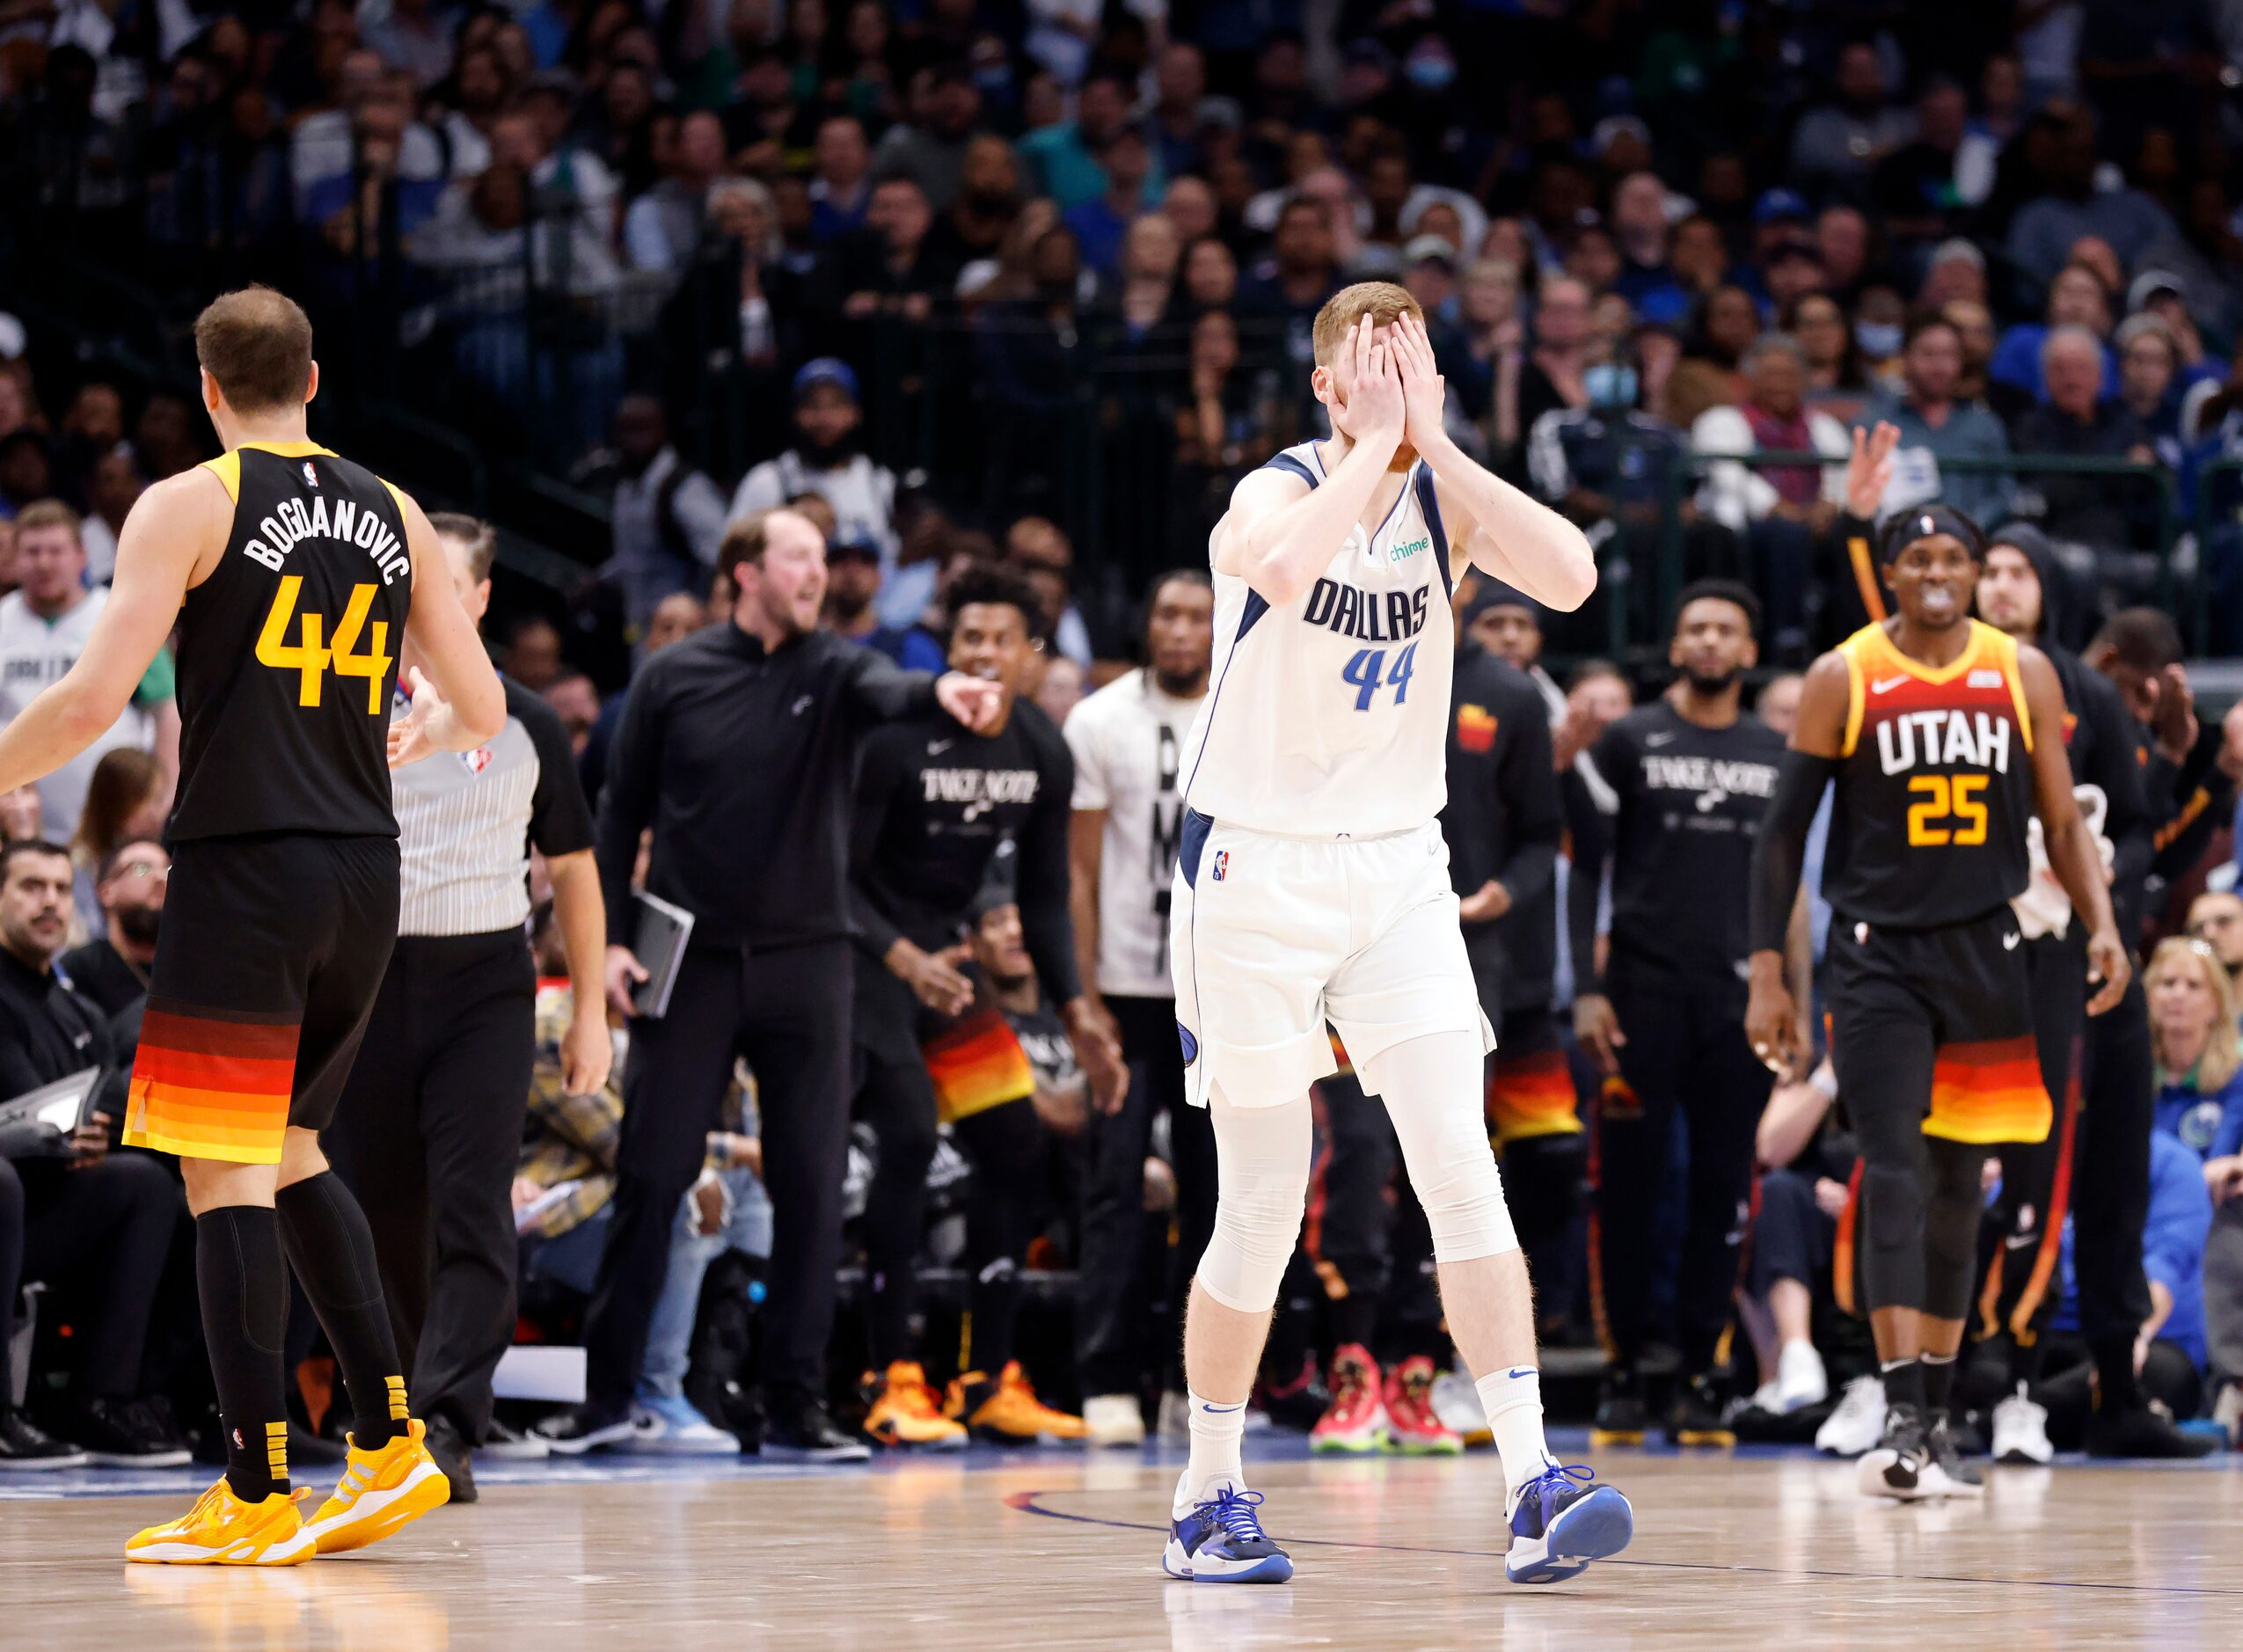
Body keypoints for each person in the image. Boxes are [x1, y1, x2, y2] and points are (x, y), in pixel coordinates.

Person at [0, 286, 506, 1561]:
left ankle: (255, 1483)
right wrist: (420, 729)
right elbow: (488, 704)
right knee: (289, 1147)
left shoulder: (189, 500)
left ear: (212, 390)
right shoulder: (391, 508)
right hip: (362, 872)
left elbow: (95, 701)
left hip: (246, 868)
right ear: (316, 380)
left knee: (224, 1169)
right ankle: (393, 1445)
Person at [1165, 287, 1627, 1589]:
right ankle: (1208, 1492)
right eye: (1369, 367)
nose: (1392, 383)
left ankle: (1532, 1478)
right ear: (1325, 385)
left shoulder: (1445, 496)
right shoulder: (1270, 491)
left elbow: (1573, 574)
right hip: (1251, 866)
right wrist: (1374, 441)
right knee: (1259, 1199)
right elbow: (1279, 571)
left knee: (1458, 1167)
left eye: (1411, 361)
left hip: (1395, 867)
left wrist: (1436, 436)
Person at [537, 508, 1001, 1462]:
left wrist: (946, 689)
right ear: (745, 571)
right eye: (799, 556)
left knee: (809, 1184)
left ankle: (795, 1405)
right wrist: (613, 945)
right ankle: (609, 1399)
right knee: (653, 1174)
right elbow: (620, 818)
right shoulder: (672, 676)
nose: (817, 572)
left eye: (824, 559)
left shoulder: (834, 668)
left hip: (807, 962)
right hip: (695, 962)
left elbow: (890, 686)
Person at [1745, 495, 2129, 1503]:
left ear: (1973, 567)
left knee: (1966, 1186)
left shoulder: (2020, 669)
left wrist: (2105, 923)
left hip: (1989, 949)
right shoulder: (1846, 673)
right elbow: (1782, 832)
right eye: (1915, 556)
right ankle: (1900, 1408)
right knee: (1896, 1168)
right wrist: (1768, 971)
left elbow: (2061, 812)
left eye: (1953, 555)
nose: (1936, 571)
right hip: (1876, 956)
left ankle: (1938, 1415)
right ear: (1892, 570)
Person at [320, 512, 610, 1502]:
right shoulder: (343, 703)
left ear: (479, 598)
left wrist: (593, 1016)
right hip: (364, 977)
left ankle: (452, 1420)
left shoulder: (527, 719)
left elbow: (572, 868)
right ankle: (393, 1416)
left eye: (447, 580)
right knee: (380, 1206)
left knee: (474, 1203)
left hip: (485, 982)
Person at [848, 563, 1123, 1447]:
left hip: (945, 967)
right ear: (947, 650)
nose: (983, 654)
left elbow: (1044, 895)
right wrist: (901, 956)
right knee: (909, 1139)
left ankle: (986, 1378)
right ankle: (890, 1377)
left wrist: (1077, 1006)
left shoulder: (1040, 747)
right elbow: (829, 875)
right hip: (859, 956)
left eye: (1001, 639)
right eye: (968, 638)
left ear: (1032, 657)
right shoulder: (897, 736)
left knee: (1012, 1141)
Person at [1969, 521, 2170, 1466]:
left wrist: (2095, 897)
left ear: (2046, 589)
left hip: (2086, 964)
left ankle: (2118, 1390)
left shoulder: (2086, 692)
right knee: (2010, 1178)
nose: (2003, 587)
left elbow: (2134, 827)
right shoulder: (1943, 685)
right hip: (1983, 965)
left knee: (2113, 1180)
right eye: (1990, 571)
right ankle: (1984, 1383)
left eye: (2019, 573)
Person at [1571, 581, 1785, 1446]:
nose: (1707, 640)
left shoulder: (1775, 751)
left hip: (1736, 997)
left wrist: (1790, 992)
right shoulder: (1630, 740)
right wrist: (1584, 986)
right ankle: (1628, 1368)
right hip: (1638, 994)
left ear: (1747, 650)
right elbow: (1586, 868)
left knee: (1724, 1185)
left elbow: (1788, 891)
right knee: (1628, 1182)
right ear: (1675, 641)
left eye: (1725, 629)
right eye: (1694, 626)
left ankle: (1701, 1367)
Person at [1066, 569, 1217, 1447]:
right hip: (1125, 986)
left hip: (1218, 988)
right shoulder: (1099, 720)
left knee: (1213, 1194)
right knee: (1115, 1189)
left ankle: (1192, 1382)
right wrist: (1083, 1000)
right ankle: (1106, 1377)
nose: (1182, 629)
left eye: (1198, 614)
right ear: (1147, 623)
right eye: (1167, 612)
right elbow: (1079, 871)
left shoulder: (1249, 709)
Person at [0, 838, 187, 1468]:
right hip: (10, 1190)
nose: (49, 901)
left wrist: (83, 1137)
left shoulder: (73, 1007)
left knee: (155, 1182)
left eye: (58, 887)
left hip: (44, 1206)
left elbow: (95, 1105)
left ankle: (110, 1398)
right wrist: (46, 1139)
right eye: (30, 887)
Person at [0, 501, 179, 838]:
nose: (44, 562)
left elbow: (166, 709)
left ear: (82, 555)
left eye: (56, 550)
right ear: (14, 559)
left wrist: (167, 794)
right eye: (32, 551)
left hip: (113, 819)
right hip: (16, 822)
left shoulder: (120, 614)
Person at [727, 361, 911, 625]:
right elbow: (732, 560)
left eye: (836, 405)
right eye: (812, 406)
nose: (824, 419)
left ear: (855, 413)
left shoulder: (879, 483)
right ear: (795, 414)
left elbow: (898, 562)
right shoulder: (768, 481)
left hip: (864, 625)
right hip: (785, 625)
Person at [57, 836, 165, 1016]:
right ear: (107, 892)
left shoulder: (190, 966)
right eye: (143, 868)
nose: (160, 878)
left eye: (168, 869)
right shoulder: (80, 969)